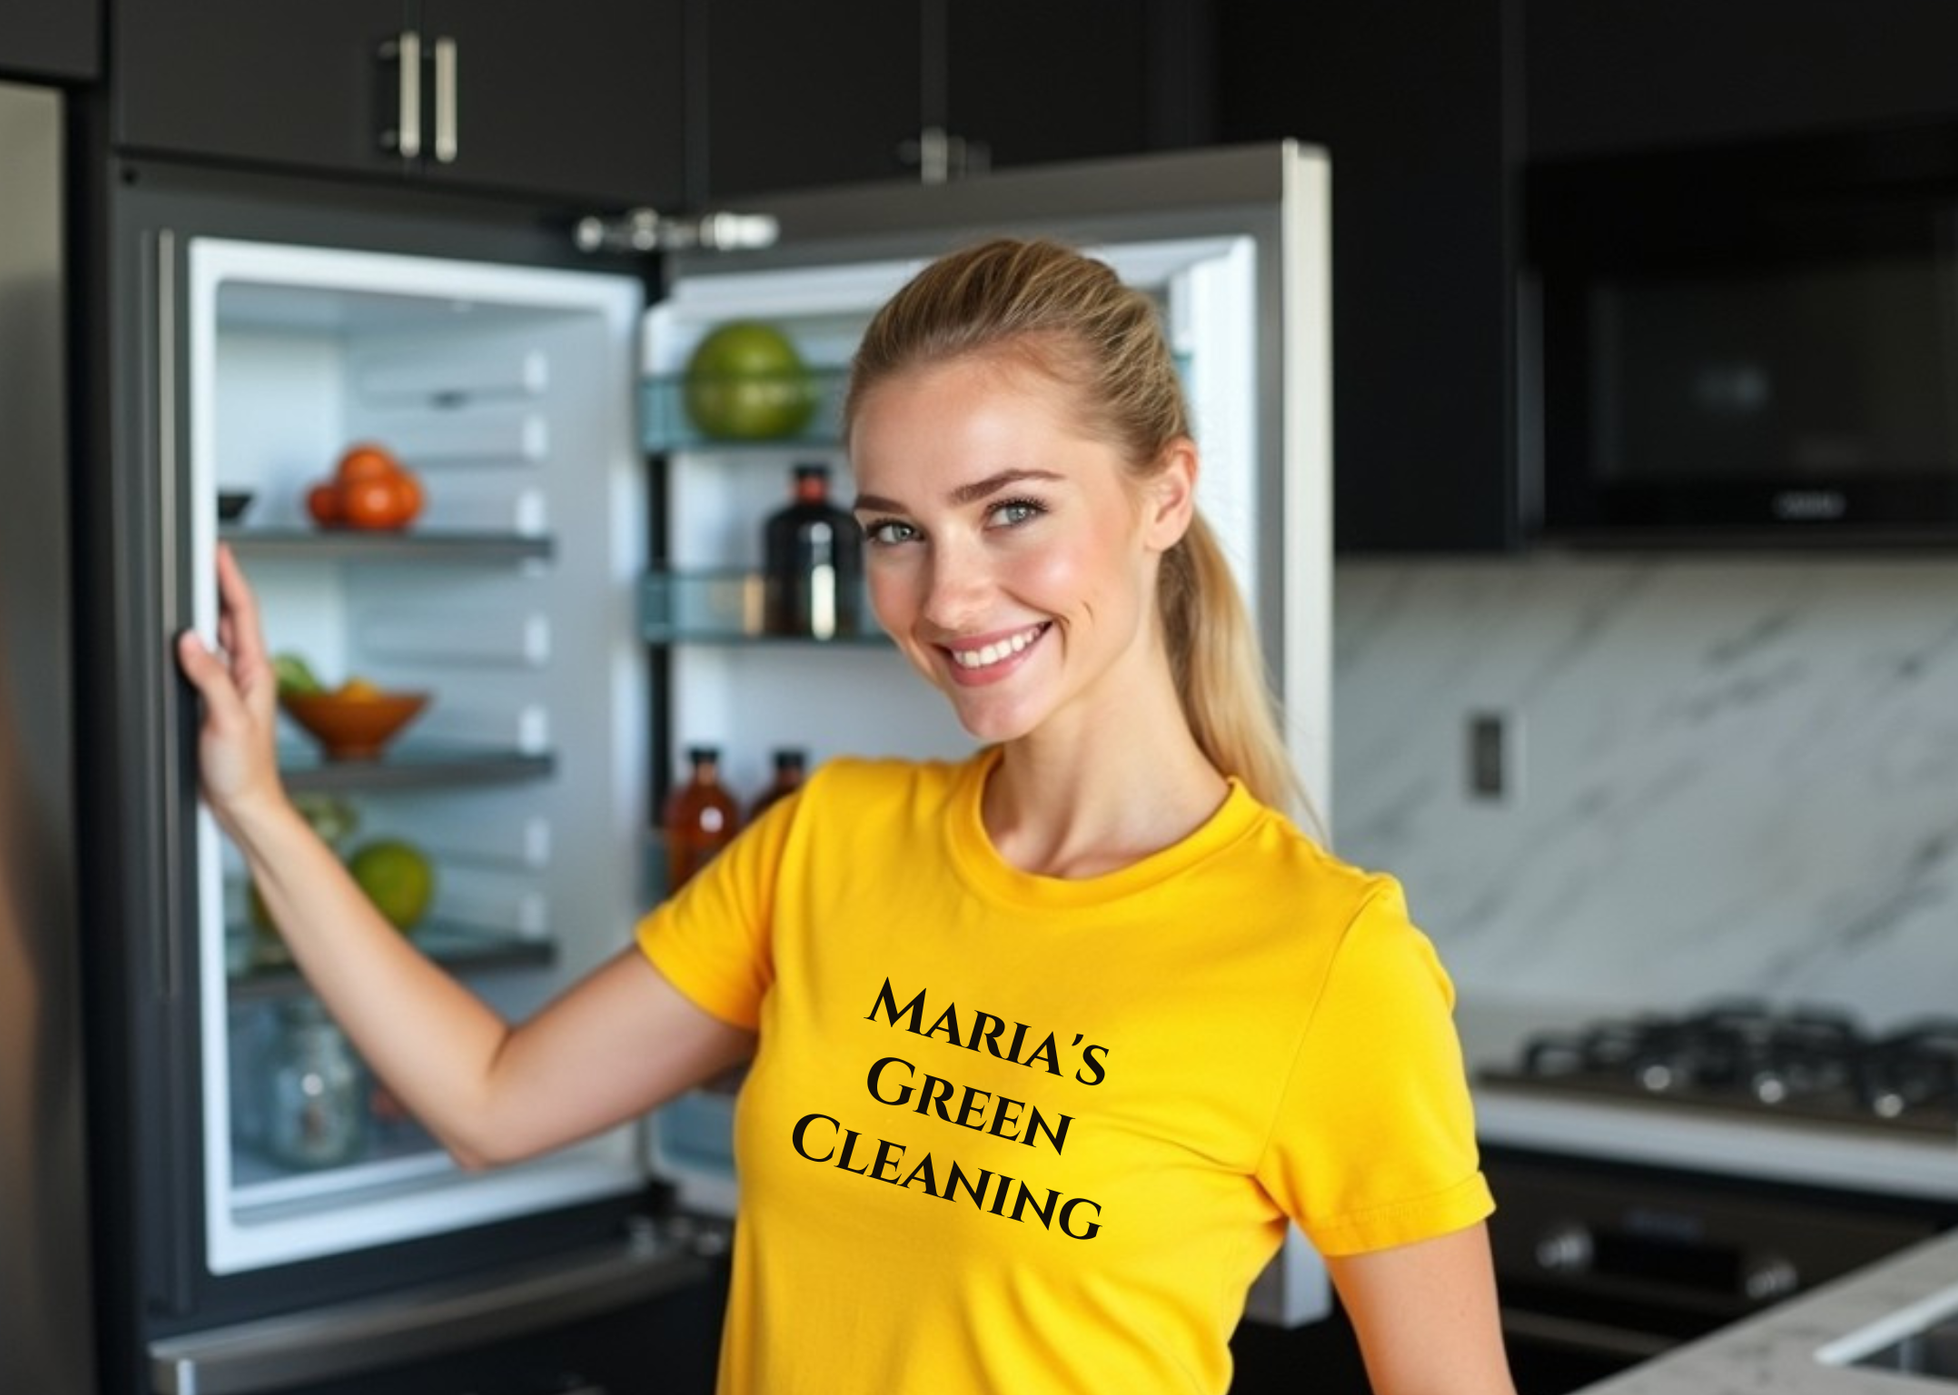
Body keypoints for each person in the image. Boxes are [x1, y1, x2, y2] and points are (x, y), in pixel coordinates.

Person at [179, 237, 1514, 1395]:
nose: (946, 595)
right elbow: (493, 1100)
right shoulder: (830, 840)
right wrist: (258, 808)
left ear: (1165, 492)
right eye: (894, 529)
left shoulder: (1328, 959)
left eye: (1011, 512)